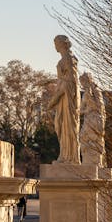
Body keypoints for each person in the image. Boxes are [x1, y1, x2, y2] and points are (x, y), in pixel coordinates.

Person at [46, 35, 81, 164]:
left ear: (61, 44)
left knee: (67, 126)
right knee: (60, 125)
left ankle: (69, 157)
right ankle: (65, 155)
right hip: (63, 99)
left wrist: (53, 100)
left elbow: (70, 82)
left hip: (67, 98)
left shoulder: (68, 59)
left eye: (55, 43)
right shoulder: (66, 59)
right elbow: (63, 80)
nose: (54, 45)